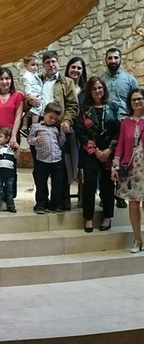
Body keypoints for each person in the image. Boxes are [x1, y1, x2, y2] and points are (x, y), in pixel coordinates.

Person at [28, 50, 79, 211]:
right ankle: (41, 202)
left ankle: (59, 202)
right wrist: (29, 100)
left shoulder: (67, 82)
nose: (51, 64)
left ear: (58, 63)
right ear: (43, 65)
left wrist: (66, 121)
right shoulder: (37, 80)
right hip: (39, 129)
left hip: (58, 130)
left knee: (60, 170)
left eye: (54, 61)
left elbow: (73, 105)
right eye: (48, 62)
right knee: (40, 171)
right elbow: (26, 104)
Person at [76, 77, 120, 233]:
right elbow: (81, 132)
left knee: (108, 186)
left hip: (109, 152)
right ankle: (88, 218)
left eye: (100, 88)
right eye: (94, 88)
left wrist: (109, 150)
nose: (97, 91)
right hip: (90, 153)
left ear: (104, 89)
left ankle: (107, 217)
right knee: (89, 185)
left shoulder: (113, 107)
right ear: (90, 91)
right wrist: (96, 151)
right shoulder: (84, 109)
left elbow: (118, 130)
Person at [101, 47, 138, 209]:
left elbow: (135, 102)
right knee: (108, 161)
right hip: (108, 125)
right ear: (106, 60)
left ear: (120, 59)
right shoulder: (101, 79)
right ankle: (105, 194)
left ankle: (120, 194)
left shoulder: (129, 80)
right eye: (110, 58)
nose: (113, 61)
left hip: (126, 125)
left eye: (116, 58)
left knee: (123, 159)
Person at [0, 67, 24, 207]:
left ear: (11, 80)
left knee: (10, 168)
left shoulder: (18, 96)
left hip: (11, 138)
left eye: (7, 78)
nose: (4, 81)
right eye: (1, 78)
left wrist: (13, 136)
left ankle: (9, 197)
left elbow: (18, 117)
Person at [111, 88, 144, 253]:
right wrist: (115, 166)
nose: (137, 102)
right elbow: (120, 146)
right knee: (133, 205)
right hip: (130, 167)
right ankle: (137, 239)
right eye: (133, 100)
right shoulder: (125, 122)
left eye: (139, 99)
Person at [27, 102, 66, 214]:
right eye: (50, 117)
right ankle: (41, 204)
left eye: (55, 118)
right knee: (41, 184)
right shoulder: (36, 127)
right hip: (42, 160)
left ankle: (55, 204)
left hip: (56, 160)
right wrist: (36, 140)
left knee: (58, 183)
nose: (52, 120)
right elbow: (30, 140)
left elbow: (60, 143)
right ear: (44, 114)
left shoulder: (56, 128)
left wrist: (62, 133)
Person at [64, 56, 88, 207]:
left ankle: (84, 197)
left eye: (79, 68)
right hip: (66, 131)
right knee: (66, 164)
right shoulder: (61, 87)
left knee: (83, 165)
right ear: (68, 69)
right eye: (73, 67)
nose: (76, 70)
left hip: (83, 132)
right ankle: (64, 197)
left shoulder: (86, 90)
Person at [0, 126, 19, 214]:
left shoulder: (11, 150)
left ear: (7, 138)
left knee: (9, 190)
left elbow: (17, 157)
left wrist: (19, 148)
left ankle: (11, 206)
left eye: (0, 136)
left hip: (10, 173)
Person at [20, 54, 43, 135]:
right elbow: (27, 85)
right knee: (37, 109)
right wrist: (29, 95)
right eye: (33, 65)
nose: (35, 67)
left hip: (36, 93)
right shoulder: (26, 76)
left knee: (29, 112)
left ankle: (24, 127)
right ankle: (34, 126)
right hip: (33, 95)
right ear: (26, 65)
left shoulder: (34, 74)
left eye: (37, 65)